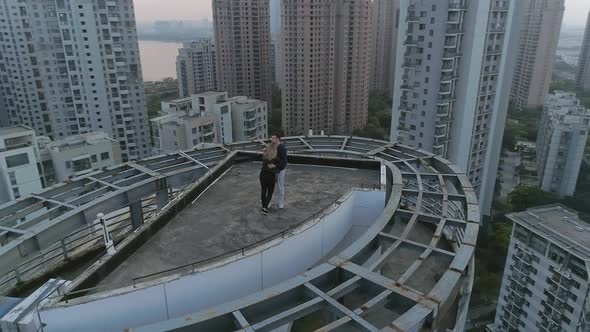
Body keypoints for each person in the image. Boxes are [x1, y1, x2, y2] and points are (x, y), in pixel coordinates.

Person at [260, 141, 279, 215]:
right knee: (270, 192)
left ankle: (263, 207)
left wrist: (265, 150)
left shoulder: (265, 156)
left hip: (262, 175)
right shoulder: (276, 157)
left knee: (263, 191)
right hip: (270, 176)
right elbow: (281, 164)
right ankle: (265, 207)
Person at [272, 133, 288, 209]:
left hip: (280, 170)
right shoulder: (273, 147)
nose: (272, 139)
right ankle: (271, 201)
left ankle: (280, 203)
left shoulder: (282, 148)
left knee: (280, 187)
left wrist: (276, 165)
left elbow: (284, 161)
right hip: (273, 170)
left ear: (277, 139)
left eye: (273, 138)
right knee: (271, 186)